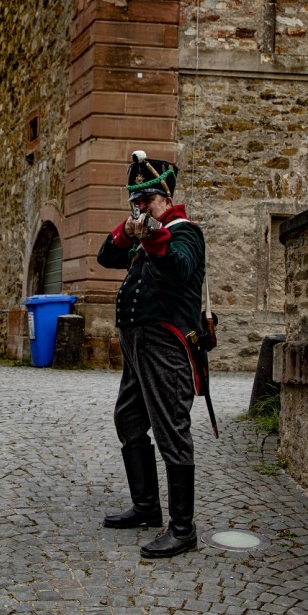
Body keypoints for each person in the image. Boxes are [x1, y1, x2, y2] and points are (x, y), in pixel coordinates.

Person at [97, 150, 206, 559]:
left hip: (166, 345)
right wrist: (128, 231)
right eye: (135, 200)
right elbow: (106, 257)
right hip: (136, 347)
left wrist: (152, 234)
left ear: (165, 197)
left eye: (146, 199)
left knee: (171, 432)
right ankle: (146, 508)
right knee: (128, 420)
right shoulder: (143, 231)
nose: (140, 205)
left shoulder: (185, 232)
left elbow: (179, 267)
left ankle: (183, 529)